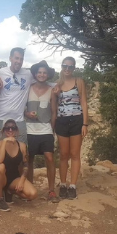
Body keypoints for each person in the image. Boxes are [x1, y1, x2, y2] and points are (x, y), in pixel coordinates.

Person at [52, 56, 88, 199]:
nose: (67, 69)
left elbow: (84, 102)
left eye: (70, 66)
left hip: (76, 120)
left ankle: (72, 186)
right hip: (61, 121)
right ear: (61, 66)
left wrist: (85, 123)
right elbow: (54, 107)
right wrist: (53, 125)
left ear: (74, 68)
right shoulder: (57, 84)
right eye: (65, 66)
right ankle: (62, 184)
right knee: (63, 154)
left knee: (75, 154)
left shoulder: (79, 82)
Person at [24, 61, 58, 202]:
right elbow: (23, 108)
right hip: (30, 129)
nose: (42, 75)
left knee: (49, 158)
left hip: (46, 130)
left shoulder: (52, 90)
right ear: (35, 74)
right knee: (29, 159)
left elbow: (54, 112)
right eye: (39, 72)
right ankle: (30, 188)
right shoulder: (28, 88)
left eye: (44, 72)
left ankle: (51, 190)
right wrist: (27, 114)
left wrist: (52, 129)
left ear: (48, 74)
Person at [0, 119, 38, 211]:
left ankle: (9, 191)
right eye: (7, 128)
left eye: (13, 128)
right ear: (4, 130)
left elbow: (25, 164)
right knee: (0, 166)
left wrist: (21, 180)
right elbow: (0, 160)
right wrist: (5, 141)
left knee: (32, 194)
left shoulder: (22, 145)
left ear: (16, 130)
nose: (10, 130)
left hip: (13, 178)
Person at [0, 47, 32, 145]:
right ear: (10, 58)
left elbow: (43, 80)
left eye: (21, 59)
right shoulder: (1, 72)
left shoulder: (28, 74)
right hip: (2, 118)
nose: (19, 61)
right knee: (1, 149)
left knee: (22, 150)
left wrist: (58, 85)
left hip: (19, 119)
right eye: (16, 58)